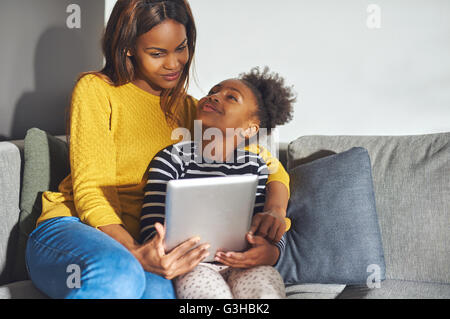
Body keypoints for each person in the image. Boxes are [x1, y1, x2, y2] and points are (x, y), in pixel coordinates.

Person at [25, 0, 291, 299]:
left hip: (149, 245)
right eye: (157, 53)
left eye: (181, 47)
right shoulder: (96, 90)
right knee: (120, 275)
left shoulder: (193, 110)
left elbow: (271, 167)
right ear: (128, 48)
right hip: (75, 227)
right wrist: (134, 251)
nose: (174, 63)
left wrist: (275, 211)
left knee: (161, 294)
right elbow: (90, 190)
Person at [140, 66, 295, 298]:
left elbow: (269, 228)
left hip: (245, 263)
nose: (214, 96)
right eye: (213, 91)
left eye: (231, 97)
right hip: (194, 265)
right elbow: (151, 227)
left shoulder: (255, 165)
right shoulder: (171, 158)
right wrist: (160, 247)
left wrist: (271, 253)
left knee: (265, 291)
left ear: (250, 128)